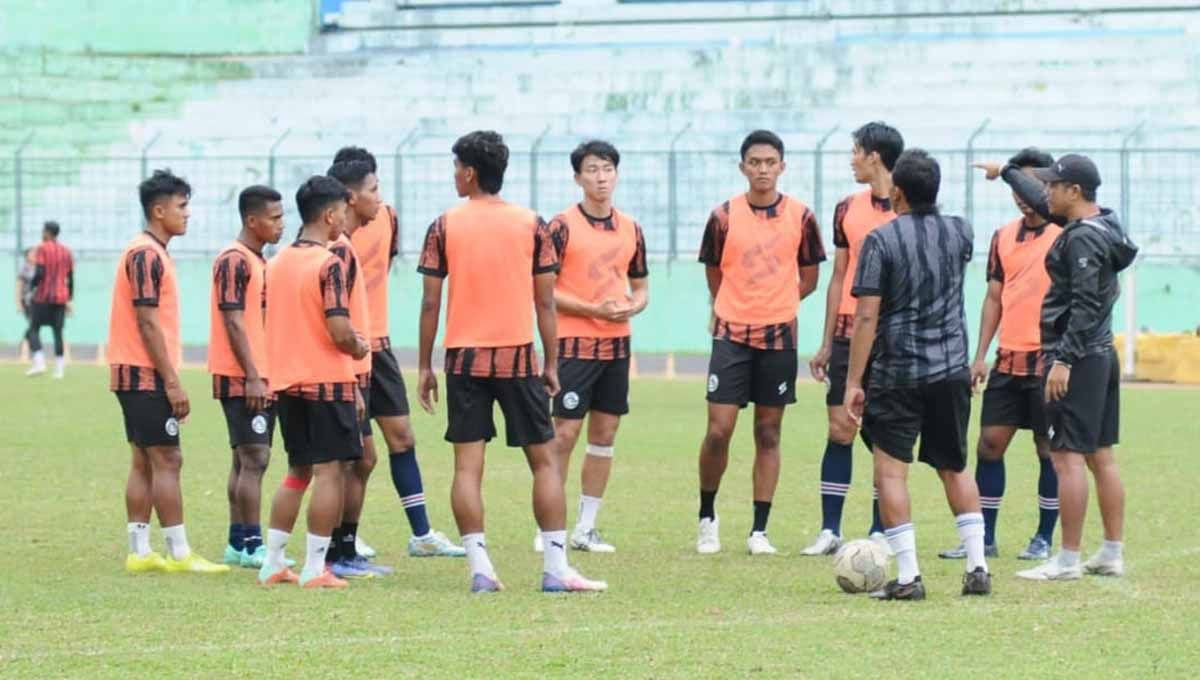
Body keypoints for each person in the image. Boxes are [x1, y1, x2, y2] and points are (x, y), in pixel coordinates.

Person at [416, 130, 606, 593]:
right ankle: (556, 569)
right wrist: (553, 363)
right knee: (543, 462)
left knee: (467, 466)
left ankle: (481, 568)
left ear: (469, 172)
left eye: (456, 167)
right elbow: (545, 304)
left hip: (464, 359)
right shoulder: (531, 224)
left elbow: (430, 304)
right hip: (518, 357)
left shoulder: (444, 225)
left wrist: (424, 365)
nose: (454, 175)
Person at [843, 149, 991, 600]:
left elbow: (866, 316)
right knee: (956, 466)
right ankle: (977, 567)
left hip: (898, 372)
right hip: (950, 369)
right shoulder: (960, 232)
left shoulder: (881, 241)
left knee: (890, 472)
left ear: (898, 192)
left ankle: (908, 577)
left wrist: (854, 381)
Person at [993, 155, 1137, 582]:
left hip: (1078, 358)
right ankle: (1111, 551)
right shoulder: (1104, 226)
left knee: (1066, 457)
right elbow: (1038, 195)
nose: (1046, 193)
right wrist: (1006, 171)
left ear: (1074, 192)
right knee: (1100, 455)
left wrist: (1063, 360)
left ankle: (1068, 558)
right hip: (1101, 355)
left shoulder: (1081, 241)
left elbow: (1085, 306)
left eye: (1054, 186)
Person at [695, 130, 825, 556]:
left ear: (782, 167)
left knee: (768, 432)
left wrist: (778, 302)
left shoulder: (802, 217)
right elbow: (714, 272)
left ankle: (759, 530)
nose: (763, 169)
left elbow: (809, 276)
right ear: (743, 167)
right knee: (719, 430)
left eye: (770, 162)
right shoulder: (723, 216)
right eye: (755, 162)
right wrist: (735, 304)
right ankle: (707, 517)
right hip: (731, 334)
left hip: (779, 336)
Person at [333, 146, 464, 559]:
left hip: (380, 346)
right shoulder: (331, 238)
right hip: (343, 350)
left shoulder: (387, 217)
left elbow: (381, 268)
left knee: (402, 437)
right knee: (357, 455)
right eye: (371, 187)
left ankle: (421, 535)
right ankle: (340, 538)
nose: (378, 194)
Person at [938, 148, 1062, 562]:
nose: (1022, 193)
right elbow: (994, 297)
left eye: (1030, 183)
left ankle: (1044, 537)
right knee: (989, 445)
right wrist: (980, 355)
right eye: (1016, 184)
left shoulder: (1065, 234)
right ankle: (984, 537)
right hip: (1008, 360)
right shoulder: (1003, 235)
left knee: (1049, 449)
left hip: (1049, 361)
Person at [534, 140, 649, 554]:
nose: (601, 177)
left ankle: (586, 526)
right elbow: (543, 291)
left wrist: (632, 306)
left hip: (616, 346)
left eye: (607, 169)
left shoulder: (631, 227)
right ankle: (551, 527)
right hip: (573, 344)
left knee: (605, 433)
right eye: (592, 170)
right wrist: (592, 308)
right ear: (578, 177)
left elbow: (640, 285)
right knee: (564, 433)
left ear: (617, 174)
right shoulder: (561, 226)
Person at [112, 169, 229, 575]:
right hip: (145, 374)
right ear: (158, 210)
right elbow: (147, 322)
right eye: (181, 206)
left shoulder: (150, 251)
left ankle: (140, 551)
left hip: (134, 372)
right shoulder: (146, 254)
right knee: (168, 458)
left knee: (144, 461)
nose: (188, 214)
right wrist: (173, 381)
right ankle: (179, 552)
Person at [257, 175, 370, 589]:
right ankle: (314, 566)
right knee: (330, 473)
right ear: (328, 214)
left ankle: (272, 562)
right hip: (326, 381)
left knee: (296, 471)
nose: (344, 220)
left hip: (288, 381)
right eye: (342, 212)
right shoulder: (329, 264)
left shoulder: (278, 261)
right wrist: (359, 348)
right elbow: (339, 331)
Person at [803, 122, 902, 556]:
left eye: (856, 151)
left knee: (884, 433)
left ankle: (882, 528)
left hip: (891, 335)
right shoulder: (847, 208)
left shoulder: (909, 207)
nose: (852, 159)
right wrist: (826, 341)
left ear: (874, 156)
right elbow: (839, 274)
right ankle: (830, 529)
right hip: (847, 331)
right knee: (840, 427)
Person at [323, 159, 396, 578]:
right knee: (347, 461)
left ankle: (342, 548)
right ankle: (333, 553)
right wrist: (350, 378)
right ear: (350, 198)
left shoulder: (346, 246)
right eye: (373, 189)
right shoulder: (338, 251)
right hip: (344, 375)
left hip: (359, 371)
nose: (380, 197)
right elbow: (334, 323)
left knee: (362, 459)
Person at [211, 186, 286, 569]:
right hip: (243, 376)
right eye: (274, 218)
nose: (281, 224)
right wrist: (254, 376)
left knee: (244, 459)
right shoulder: (234, 261)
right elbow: (233, 321)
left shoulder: (257, 261)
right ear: (251, 220)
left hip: (257, 374)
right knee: (255, 457)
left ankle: (238, 543)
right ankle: (254, 543)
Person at [25, 221, 74, 378]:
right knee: (58, 332)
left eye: (43, 230)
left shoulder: (42, 248)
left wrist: (30, 288)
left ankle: (39, 362)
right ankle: (59, 369)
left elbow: (40, 272)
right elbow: (71, 277)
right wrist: (69, 297)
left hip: (42, 297)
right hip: (60, 298)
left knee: (32, 330)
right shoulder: (67, 251)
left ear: (47, 232)